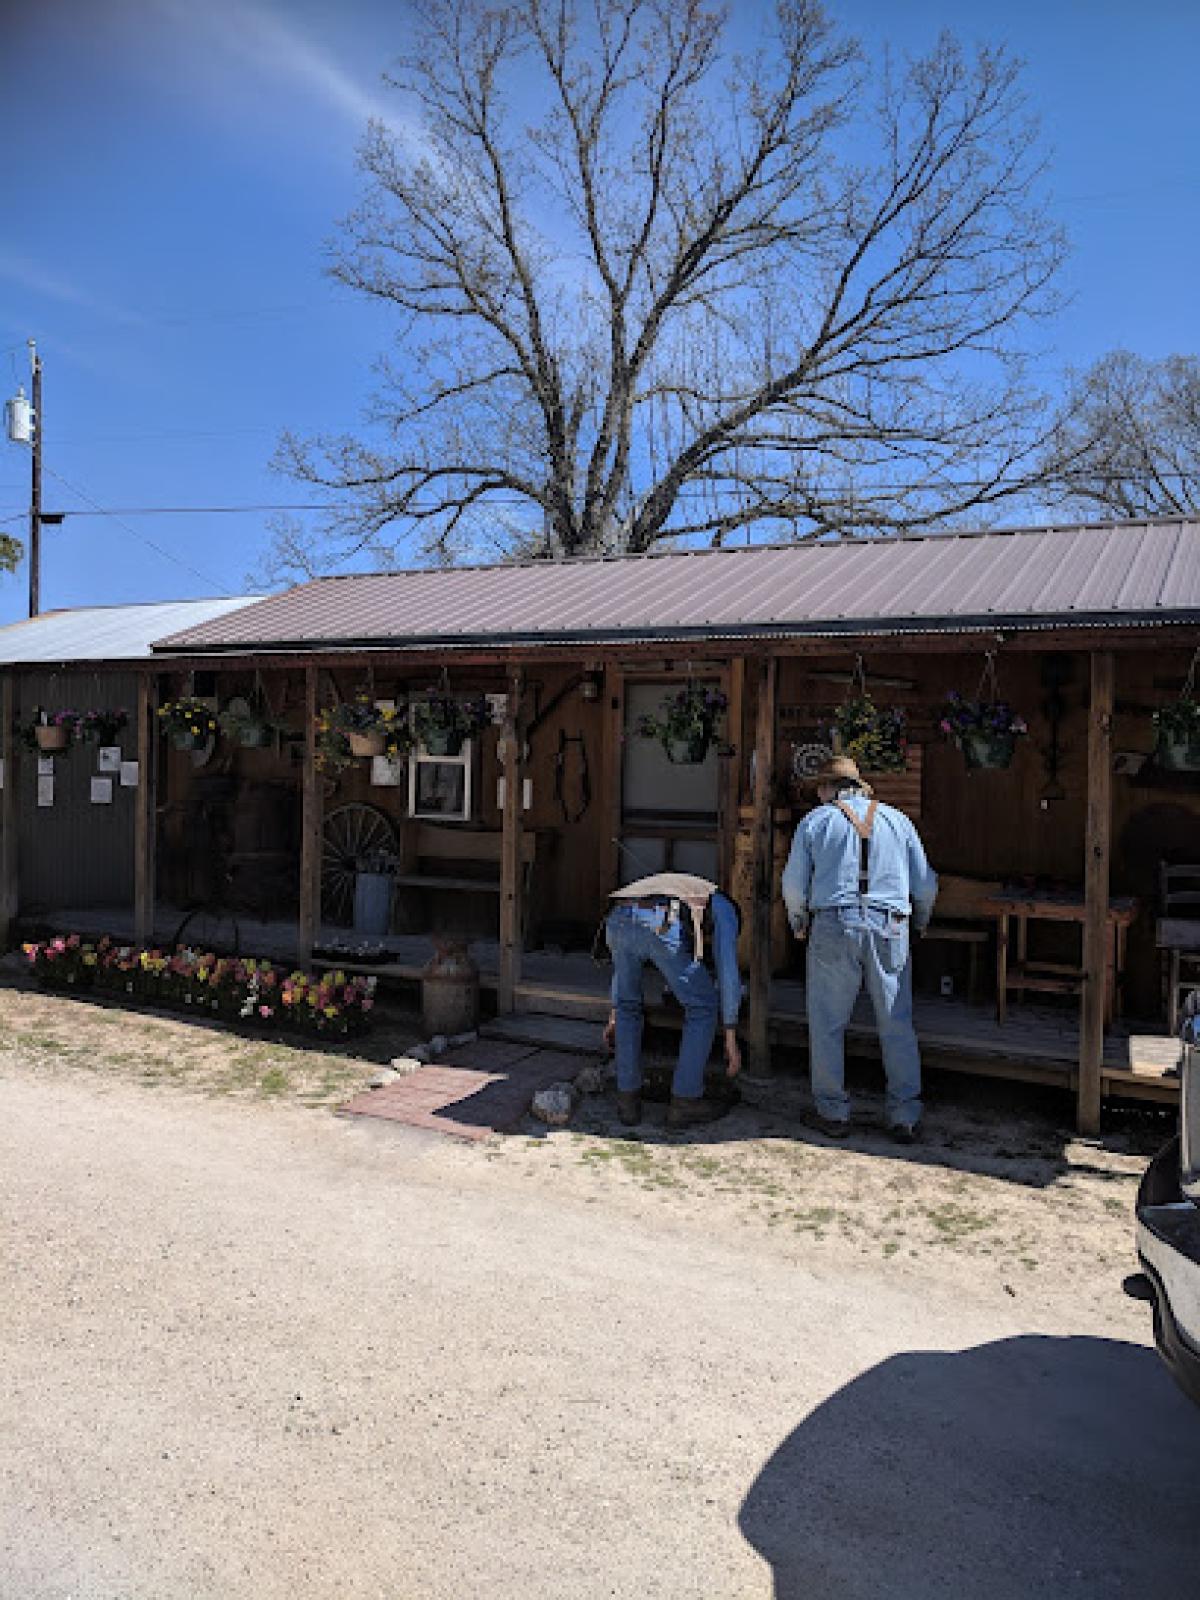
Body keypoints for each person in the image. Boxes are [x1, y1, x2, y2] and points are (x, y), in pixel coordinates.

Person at [781, 754, 937, 1143]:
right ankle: (904, 1116)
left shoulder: (815, 821)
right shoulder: (899, 821)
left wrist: (798, 922)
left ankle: (833, 1112)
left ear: (826, 789)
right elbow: (925, 884)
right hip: (890, 924)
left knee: (828, 1022)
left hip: (834, 922)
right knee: (896, 1022)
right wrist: (918, 922)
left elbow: (794, 886)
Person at [602, 871, 742, 1129]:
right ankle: (685, 1102)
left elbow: (621, 981)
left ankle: (627, 1102)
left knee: (627, 1006)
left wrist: (614, 1011)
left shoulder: (676, 886)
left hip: (616, 917)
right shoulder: (723, 907)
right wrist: (730, 1035)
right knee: (702, 1006)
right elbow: (727, 971)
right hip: (660, 922)